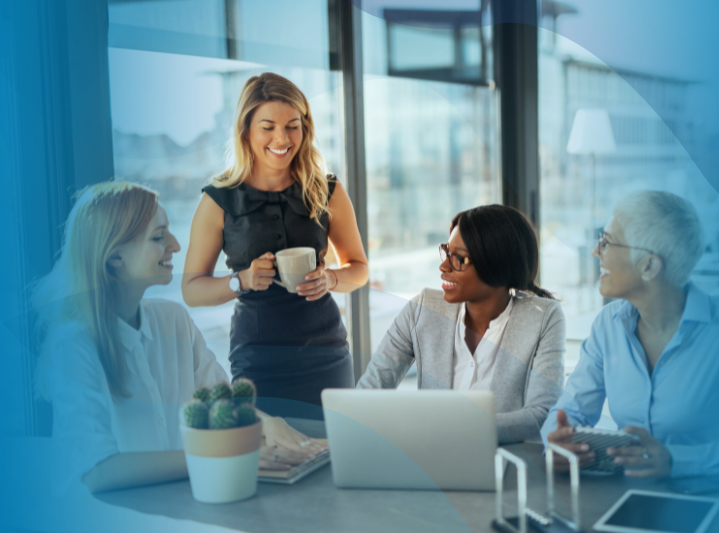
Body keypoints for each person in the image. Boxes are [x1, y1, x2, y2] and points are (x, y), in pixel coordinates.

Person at [33, 181, 325, 494]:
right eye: (158, 237)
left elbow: (223, 403)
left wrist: (267, 422)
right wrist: (221, 456)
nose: (175, 244)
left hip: (170, 508)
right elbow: (98, 471)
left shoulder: (172, 320)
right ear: (115, 257)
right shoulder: (74, 344)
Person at [541, 190, 719, 478]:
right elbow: (568, 411)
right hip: (628, 499)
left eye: (607, 242)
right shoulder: (608, 325)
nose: (596, 252)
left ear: (649, 265)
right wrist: (556, 443)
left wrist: (677, 460)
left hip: (715, 505)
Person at [182, 73, 368, 420]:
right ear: (246, 130)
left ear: (305, 128)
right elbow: (191, 291)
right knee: (269, 459)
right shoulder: (219, 200)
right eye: (268, 127)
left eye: (292, 126)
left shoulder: (327, 190)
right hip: (258, 359)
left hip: (326, 353)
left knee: (336, 455)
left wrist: (331, 280)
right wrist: (242, 280)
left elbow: (359, 268)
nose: (282, 138)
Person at [357, 205, 565, 444]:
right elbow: (369, 393)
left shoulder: (543, 318)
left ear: (495, 262)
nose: (444, 267)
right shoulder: (422, 309)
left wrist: (449, 430)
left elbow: (542, 415)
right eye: (446, 252)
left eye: (458, 259)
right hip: (430, 464)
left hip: (504, 465)